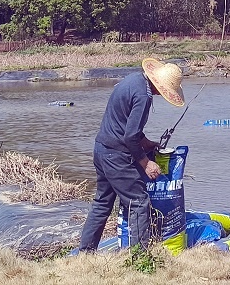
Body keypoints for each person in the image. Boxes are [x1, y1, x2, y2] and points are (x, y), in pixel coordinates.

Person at [78, 57, 185, 253]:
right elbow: (130, 136)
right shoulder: (144, 96)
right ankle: (139, 257)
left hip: (101, 149)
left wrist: (146, 143)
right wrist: (146, 163)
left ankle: (85, 253)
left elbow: (124, 124)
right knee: (139, 201)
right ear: (159, 86)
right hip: (116, 157)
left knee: (102, 203)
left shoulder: (133, 80)